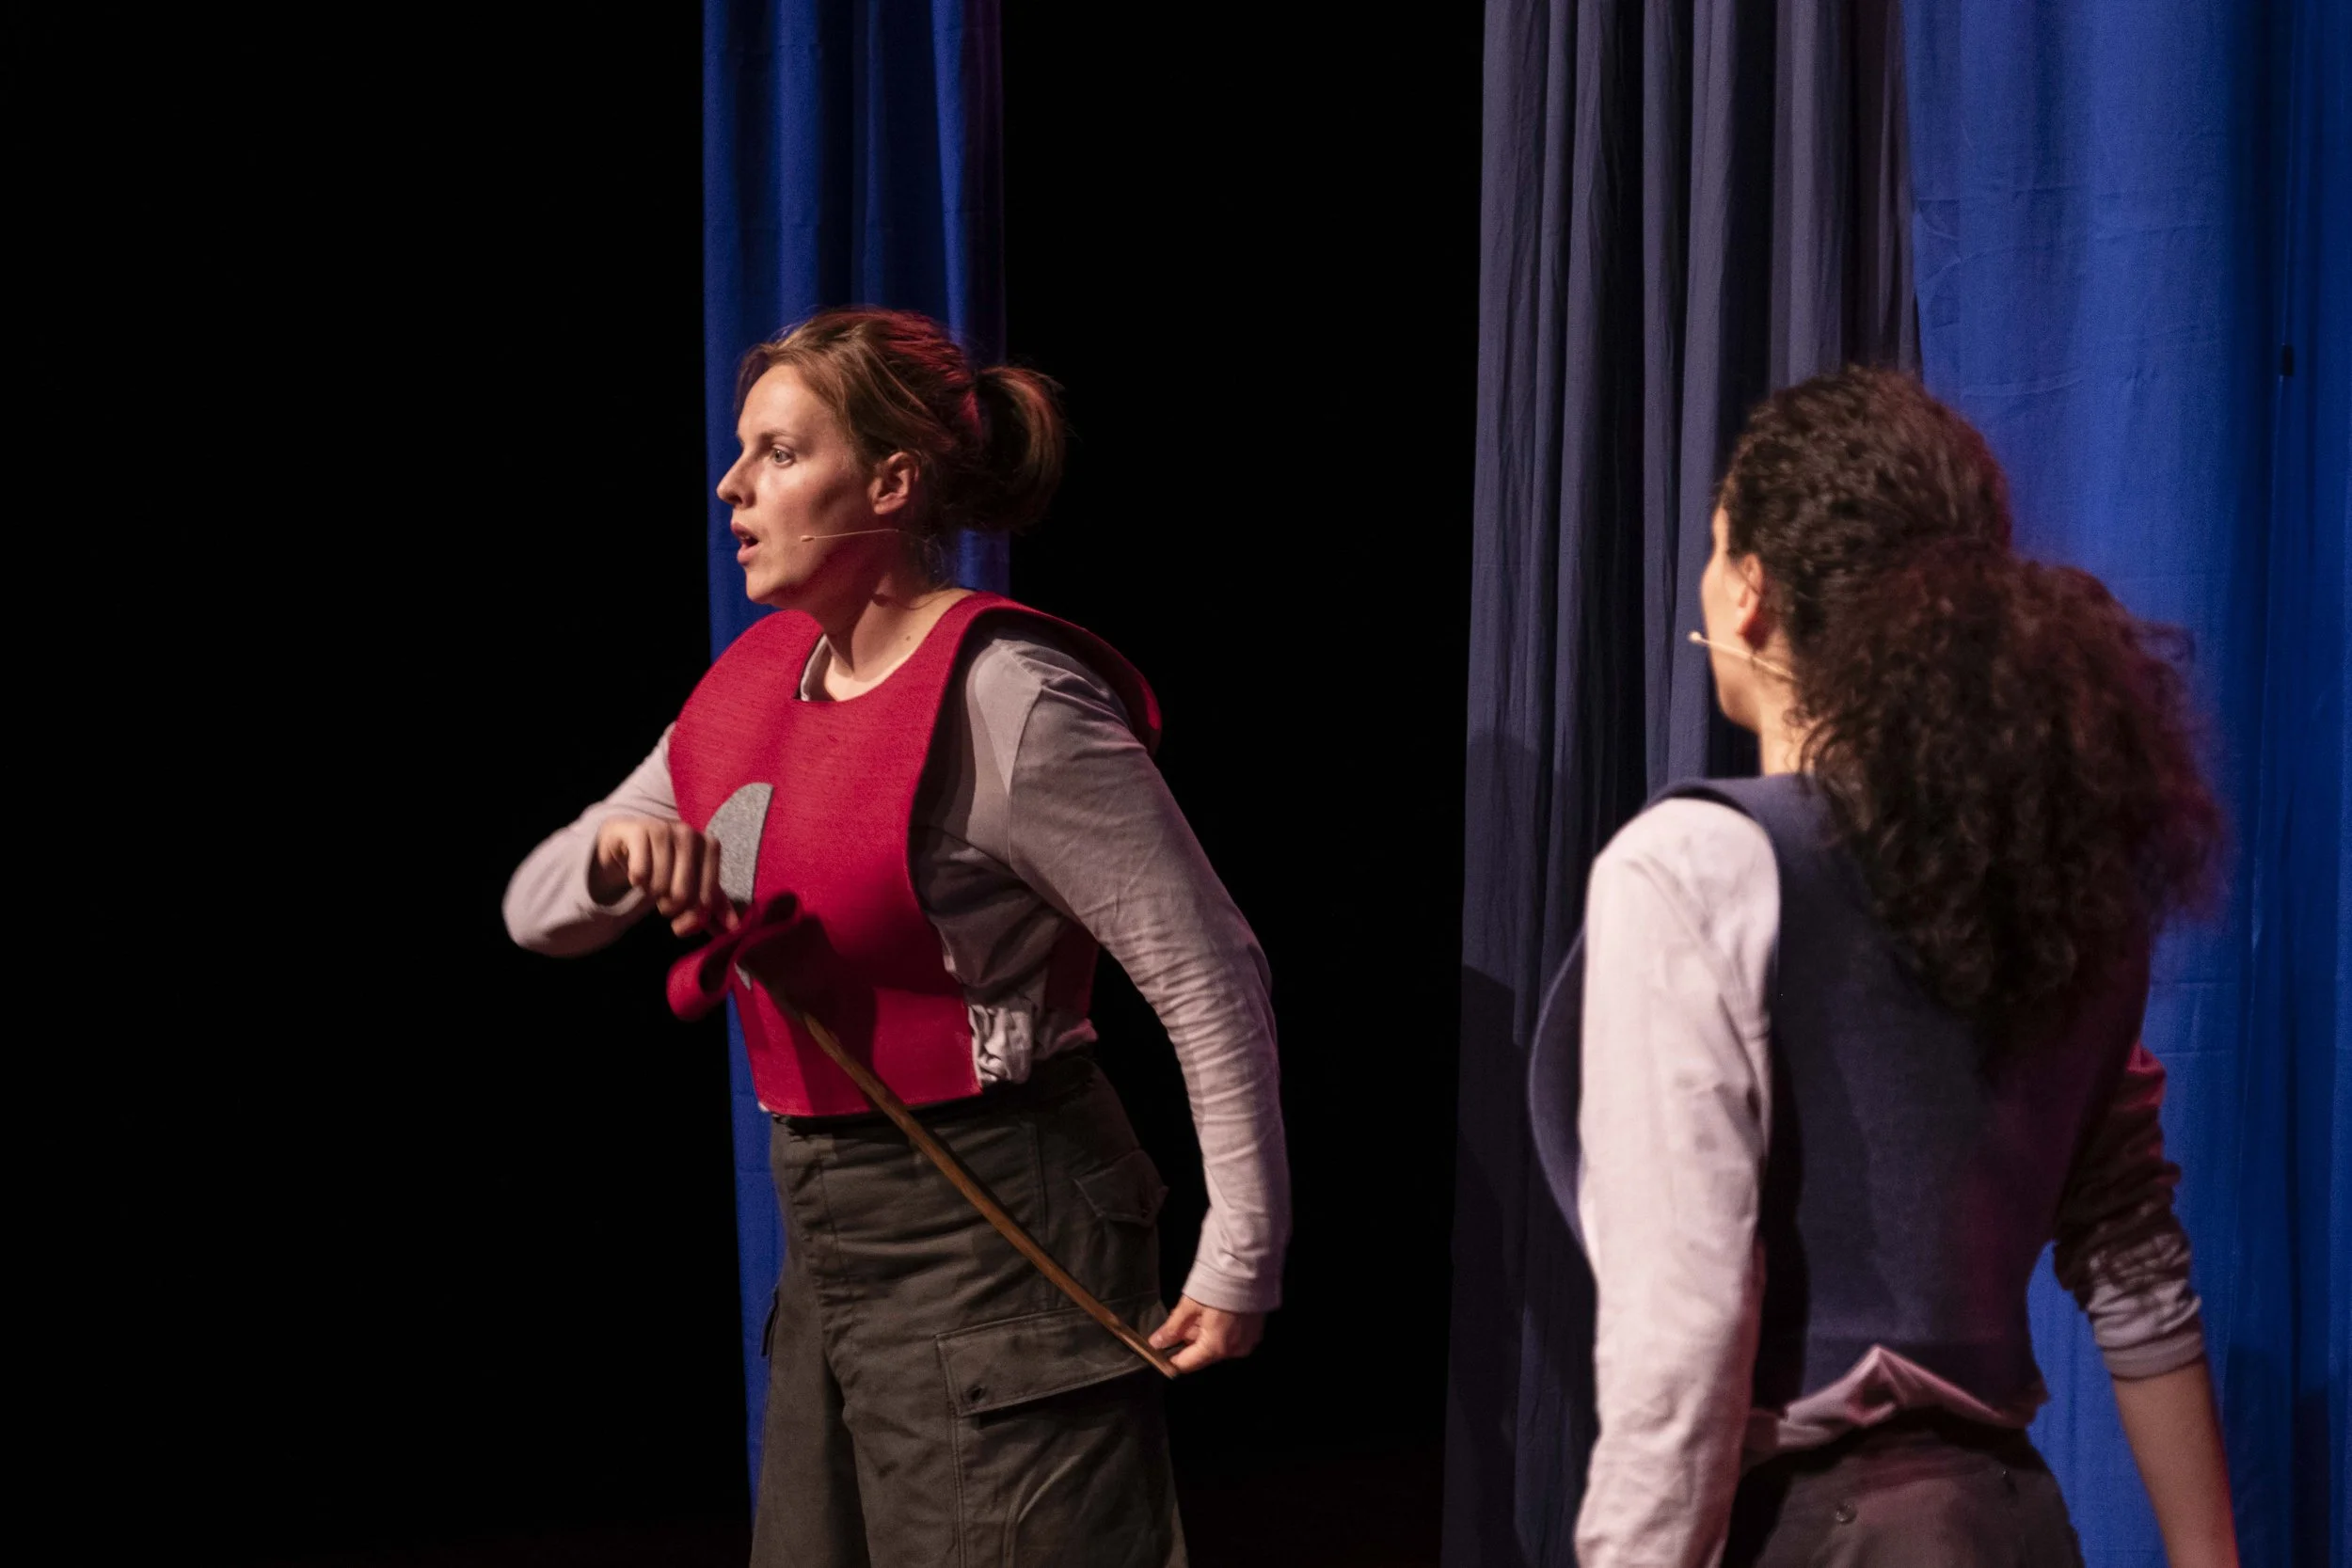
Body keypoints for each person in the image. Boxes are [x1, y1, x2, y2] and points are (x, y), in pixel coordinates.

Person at [502, 308, 1289, 1567]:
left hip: (998, 1211)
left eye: (777, 450)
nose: (732, 483)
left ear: (890, 481)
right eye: (740, 449)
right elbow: (533, 907)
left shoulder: (1007, 695)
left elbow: (1205, 967)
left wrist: (1242, 1244)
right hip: (828, 1235)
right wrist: (612, 856)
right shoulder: (754, 681)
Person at [1547, 368, 2239, 1566]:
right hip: (2012, 1527)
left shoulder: (1694, 866)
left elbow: (1683, 1334)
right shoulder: (2061, 876)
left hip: (1814, 1533)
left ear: (1750, 594)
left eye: (1716, 549)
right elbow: (2133, 1254)